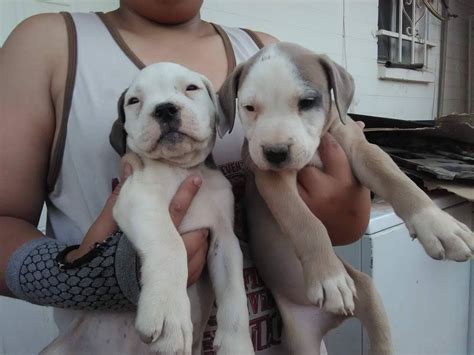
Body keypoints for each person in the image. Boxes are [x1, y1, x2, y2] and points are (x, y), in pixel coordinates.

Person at [0, 0, 371, 353]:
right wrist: (81, 276)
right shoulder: (48, 46)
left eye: (192, 90)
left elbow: (342, 220)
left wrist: (348, 210)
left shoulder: (267, 54)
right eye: (136, 102)